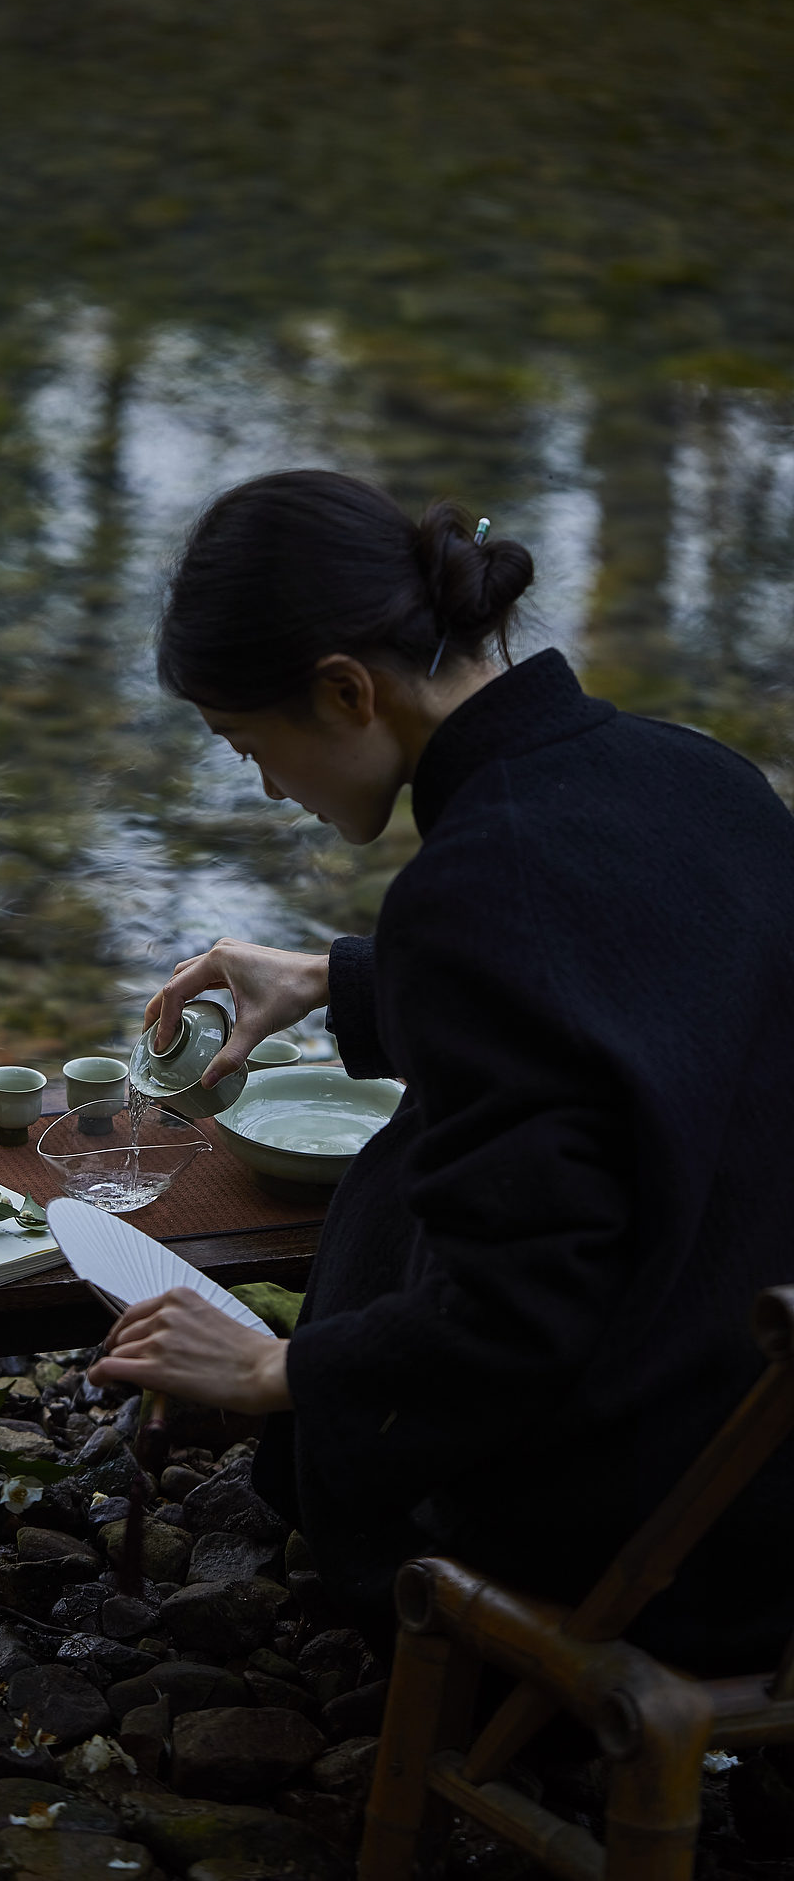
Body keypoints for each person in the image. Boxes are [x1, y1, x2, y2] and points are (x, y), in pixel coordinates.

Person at [89, 468, 794, 1672]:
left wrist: (274, 1367)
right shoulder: (700, 775)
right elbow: (635, 1023)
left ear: (345, 690)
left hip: (651, 1533)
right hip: (764, 1442)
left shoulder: (472, 893)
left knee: (381, 1223)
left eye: (247, 744)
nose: (264, 784)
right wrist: (341, 980)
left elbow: (519, 1318)